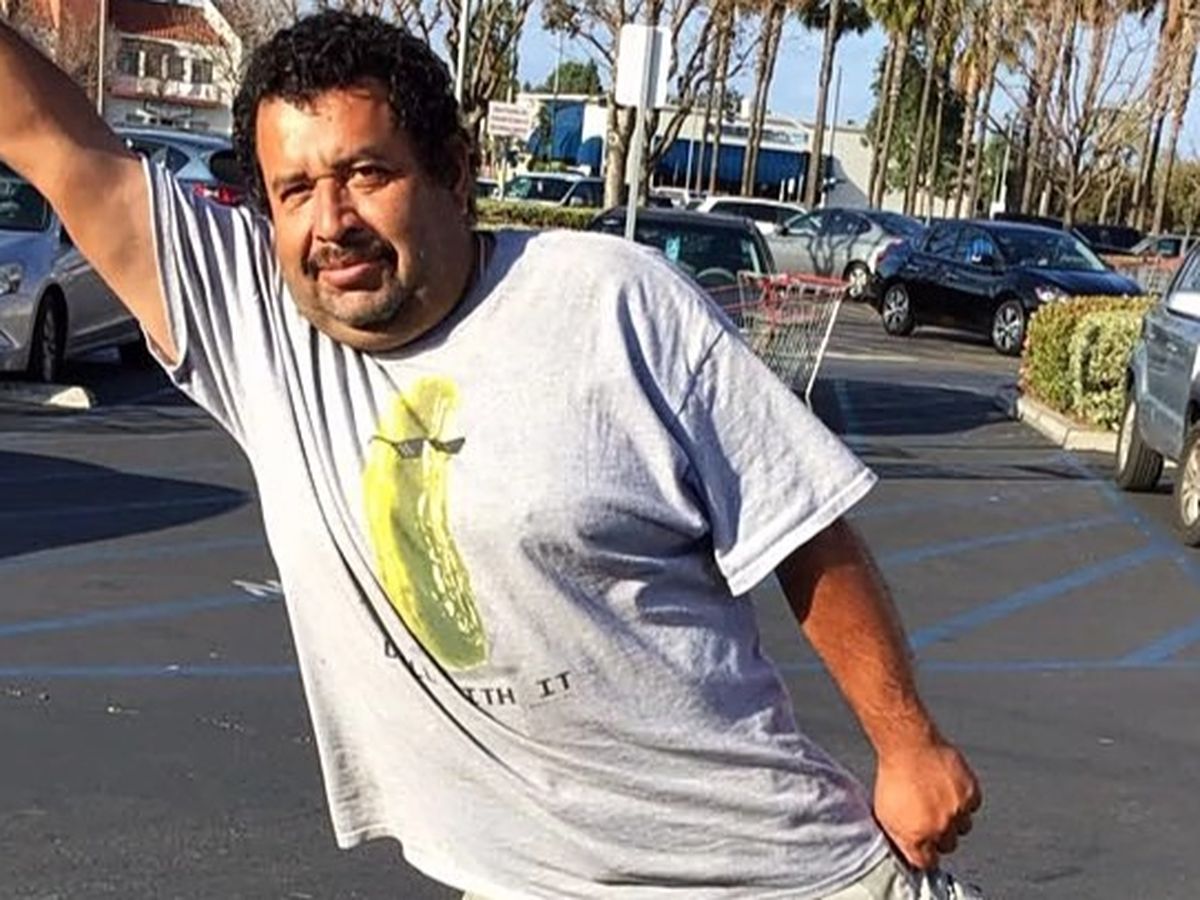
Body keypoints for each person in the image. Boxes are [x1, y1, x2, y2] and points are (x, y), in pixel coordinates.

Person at [0, 11, 981, 899]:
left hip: (766, 875)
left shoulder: (611, 300)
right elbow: (44, 134)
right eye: (295, 189)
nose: (331, 221)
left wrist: (907, 744)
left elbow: (800, 525)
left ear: (456, 171)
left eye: (367, 174)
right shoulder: (254, 325)